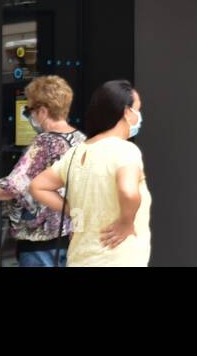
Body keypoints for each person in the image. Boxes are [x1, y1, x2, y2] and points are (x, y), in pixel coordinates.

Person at [0, 75, 84, 267]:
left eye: (29, 110)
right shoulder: (80, 140)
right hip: (72, 239)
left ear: (43, 111)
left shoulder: (45, 143)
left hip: (41, 244)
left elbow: (11, 187)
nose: (30, 116)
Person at [29, 80, 151, 267]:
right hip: (118, 259)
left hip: (80, 258)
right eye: (137, 109)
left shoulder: (76, 153)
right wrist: (126, 223)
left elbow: (38, 186)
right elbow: (129, 192)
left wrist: (74, 210)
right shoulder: (125, 150)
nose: (139, 116)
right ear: (126, 112)